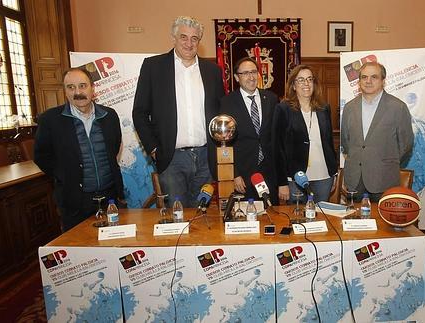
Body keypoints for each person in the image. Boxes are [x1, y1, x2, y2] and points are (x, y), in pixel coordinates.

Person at [132, 16, 224, 207]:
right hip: (171, 158)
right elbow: (139, 112)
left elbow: (220, 111)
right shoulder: (153, 67)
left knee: (202, 215)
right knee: (177, 218)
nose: (189, 43)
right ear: (173, 37)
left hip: (206, 158)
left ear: (199, 41)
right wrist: (154, 149)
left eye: (194, 38)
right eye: (183, 37)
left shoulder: (212, 71)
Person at [34, 68, 124, 231]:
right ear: (65, 91)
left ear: (93, 88)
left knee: (113, 249)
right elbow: (42, 156)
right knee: (79, 251)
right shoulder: (50, 120)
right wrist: (64, 176)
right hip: (74, 200)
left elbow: (115, 146)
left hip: (109, 198)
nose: (78, 92)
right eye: (71, 87)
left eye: (82, 86)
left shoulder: (110, 116)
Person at [340, 61, 414, 201]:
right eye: (364, 77)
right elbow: (346, 141)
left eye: (374, 77)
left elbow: (406, 145)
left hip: (384, 179)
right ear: (359, 81)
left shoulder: (398, 107)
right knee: (353, 221)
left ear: (383, 81)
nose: (368, 81)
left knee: (382, 222)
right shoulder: (349, 108)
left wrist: (383, 162)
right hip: (355, 180)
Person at [220, 57, 279, 204]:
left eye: (253, 72)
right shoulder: (227, 103)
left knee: (271, 216)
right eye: (245, 73)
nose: (251, 77)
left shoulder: (271, 99)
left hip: (269, 171)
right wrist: (235, 174)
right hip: (243, 174)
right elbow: (224, 143)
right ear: (236, 77)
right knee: (246, 218)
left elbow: (277, 138)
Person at [274, 65, 338, 203]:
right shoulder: (283, 109)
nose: (306, 83)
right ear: (293, 85)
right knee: (297, 220)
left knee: (322, 218)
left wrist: (334, 173)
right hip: (295, 177)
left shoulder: (323, 108)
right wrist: (282, 182)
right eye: (301, 80)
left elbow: (328, 142)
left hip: (324, 176)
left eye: (309, 79)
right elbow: (278, 148)